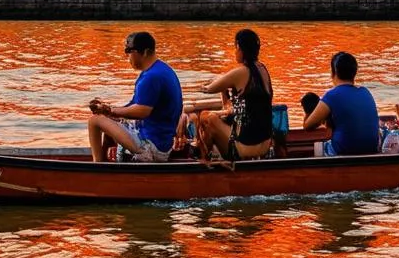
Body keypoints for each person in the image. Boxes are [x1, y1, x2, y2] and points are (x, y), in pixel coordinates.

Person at [87, 31, 183, 162]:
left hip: (153, 145)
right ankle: (107, 162)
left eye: (129, 51)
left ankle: (97, 166)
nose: (128, 57)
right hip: (157, 139)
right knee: (107, 118)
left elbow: (141, 111)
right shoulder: (159, 70)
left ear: (144, 52)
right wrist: (108, 110)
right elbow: (134, 105)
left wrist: (111, 110)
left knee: (95, 121)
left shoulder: (152, 77)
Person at [197, 28, 274, 161]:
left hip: (245, 147)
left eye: (235, 47)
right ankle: (209, 158)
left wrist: (204, 85)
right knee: (217, 121)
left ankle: (203, 161)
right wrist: (224, 88)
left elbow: (208, 89)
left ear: (240, 48)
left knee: (206, 117)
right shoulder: (263, 69)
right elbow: (237, 109)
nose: (234, 51)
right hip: (265, 144)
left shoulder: (241, 72)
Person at [303, 51, 380, 156]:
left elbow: (308, 126)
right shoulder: (365, 91)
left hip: (344, 151)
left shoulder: (332, 95)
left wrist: (308, 108)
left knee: (319, 147)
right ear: (354, 72)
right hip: (371, 148)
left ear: (333, 72)